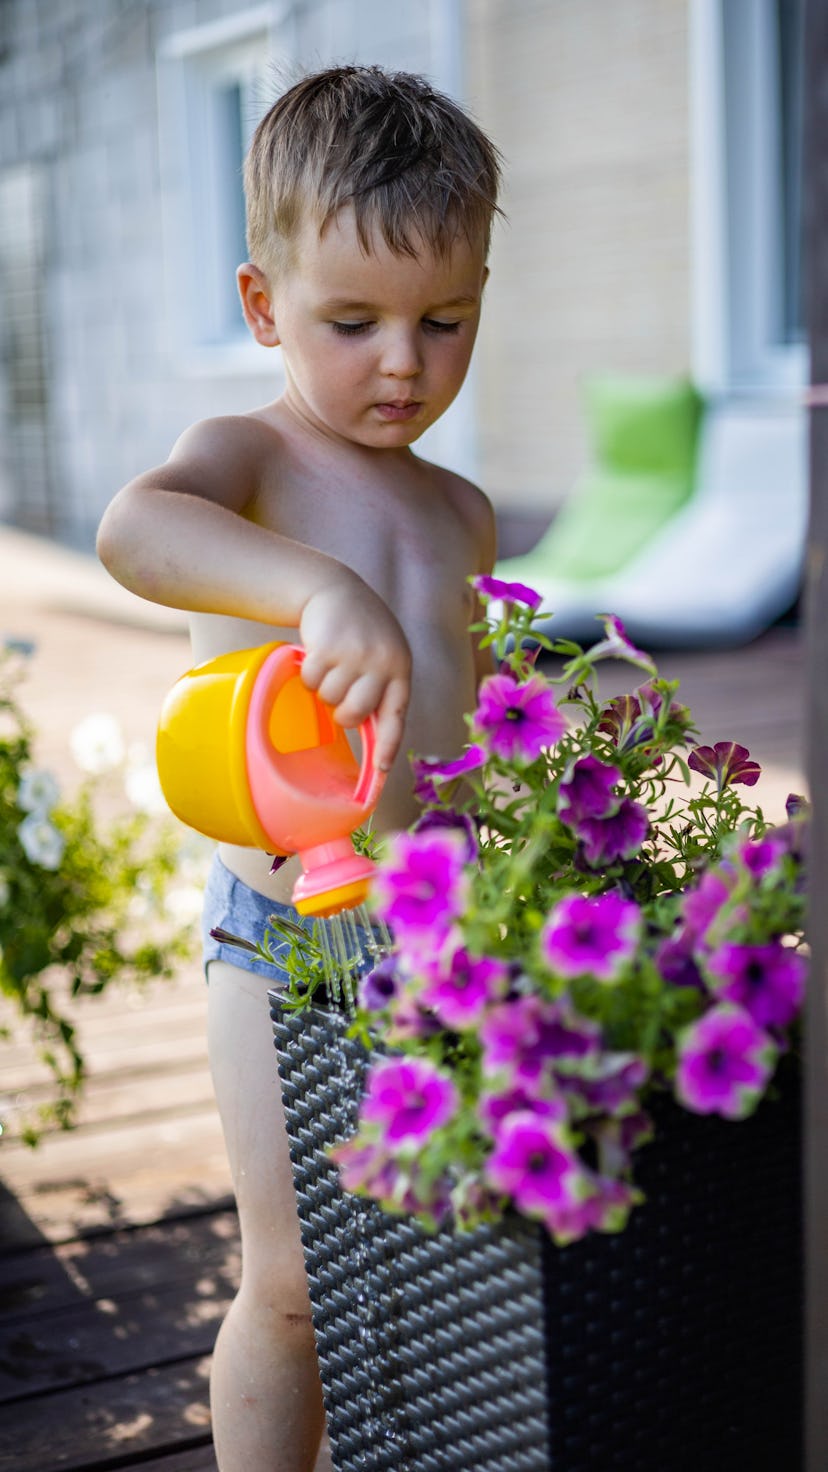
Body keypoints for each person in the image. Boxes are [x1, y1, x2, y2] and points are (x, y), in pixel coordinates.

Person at [96, 64, 501, 1472]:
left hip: (443, 938)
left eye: (446, 320)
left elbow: (473, 718)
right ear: (265, 306)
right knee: (293, 1286)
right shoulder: (249, 466)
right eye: (353, 322)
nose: (404, 361)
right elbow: (134, 533)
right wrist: (320, 590)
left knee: (447, 1274)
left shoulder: (463, 511)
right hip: (283, 945)